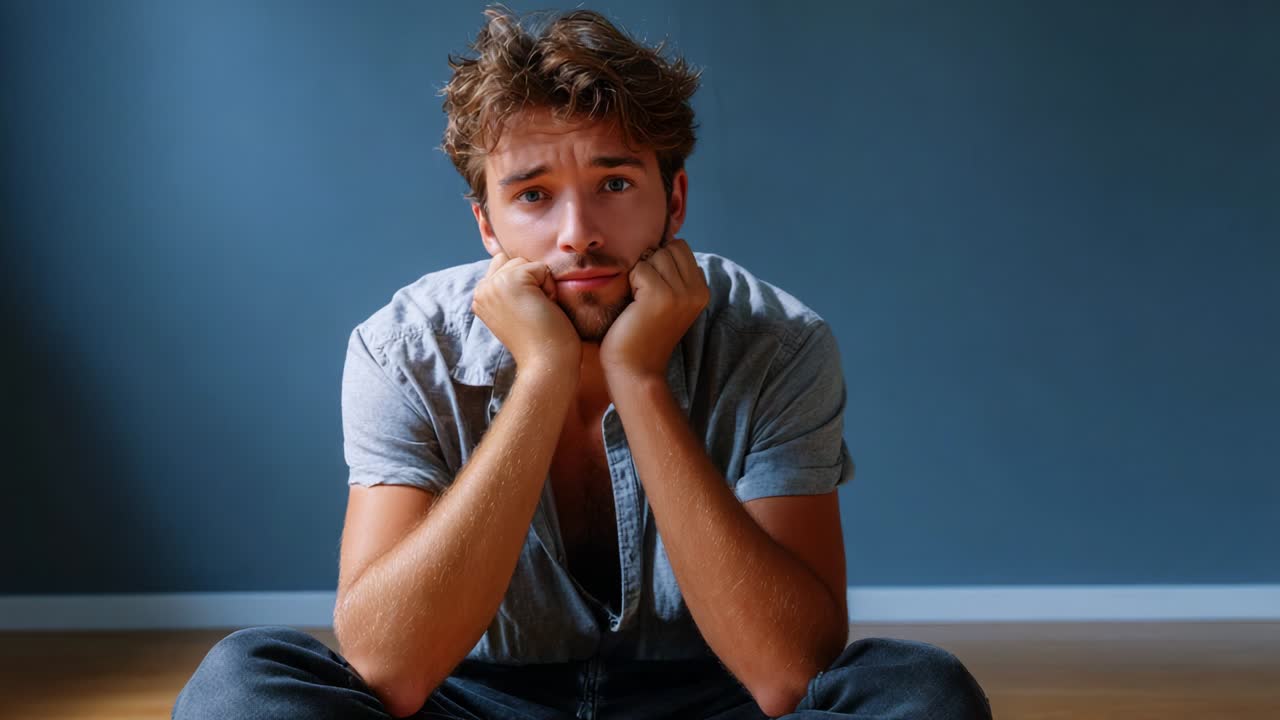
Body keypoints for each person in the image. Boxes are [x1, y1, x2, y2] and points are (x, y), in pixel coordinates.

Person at [172, 6, 993, 719]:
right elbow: (390, 669)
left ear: (674, 199)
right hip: (473, 697)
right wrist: (539, 379)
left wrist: (639, 381)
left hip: (712, 697)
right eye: (532, 195)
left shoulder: (777, 342)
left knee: (922, 691)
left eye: (614, 183)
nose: (577, 234)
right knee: (240, 687)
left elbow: (788, 676)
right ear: (487, 225)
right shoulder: (402, 348)